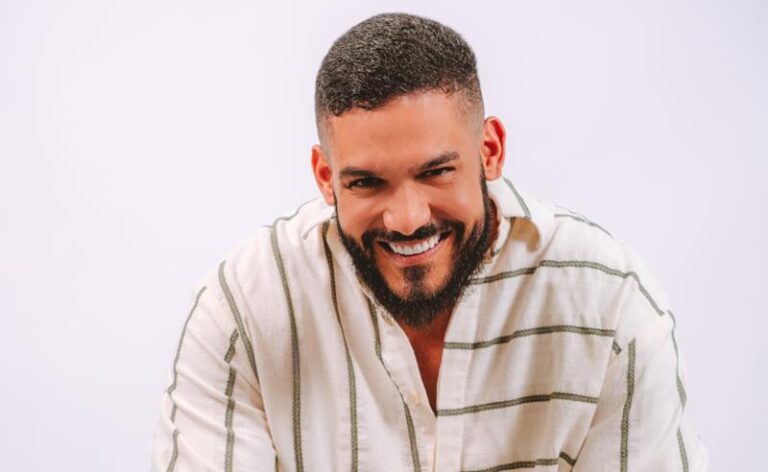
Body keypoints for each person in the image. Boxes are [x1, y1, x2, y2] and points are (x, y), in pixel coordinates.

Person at [151, 12, 707, 471]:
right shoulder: (244, 311)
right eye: (366, 183)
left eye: (436, 172)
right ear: (325, 177)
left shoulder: (610, 306)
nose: (407, 219)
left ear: (490, 150)